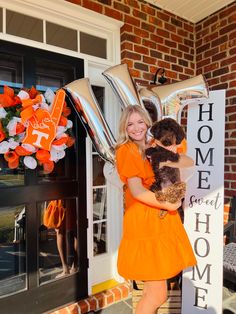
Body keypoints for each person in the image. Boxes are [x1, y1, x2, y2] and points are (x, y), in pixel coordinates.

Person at [115, 105, 197, 314]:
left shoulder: (154, 145)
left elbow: (189, 161)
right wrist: (169, 203)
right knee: (156, 293)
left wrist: (170, 152)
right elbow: (137, 191)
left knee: (156, 292)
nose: (136, 128)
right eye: (130, 124)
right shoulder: (126, 150)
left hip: (160, 220)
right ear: (125, 128)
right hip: (144, 221)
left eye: (140, 122)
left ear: (147, 123)